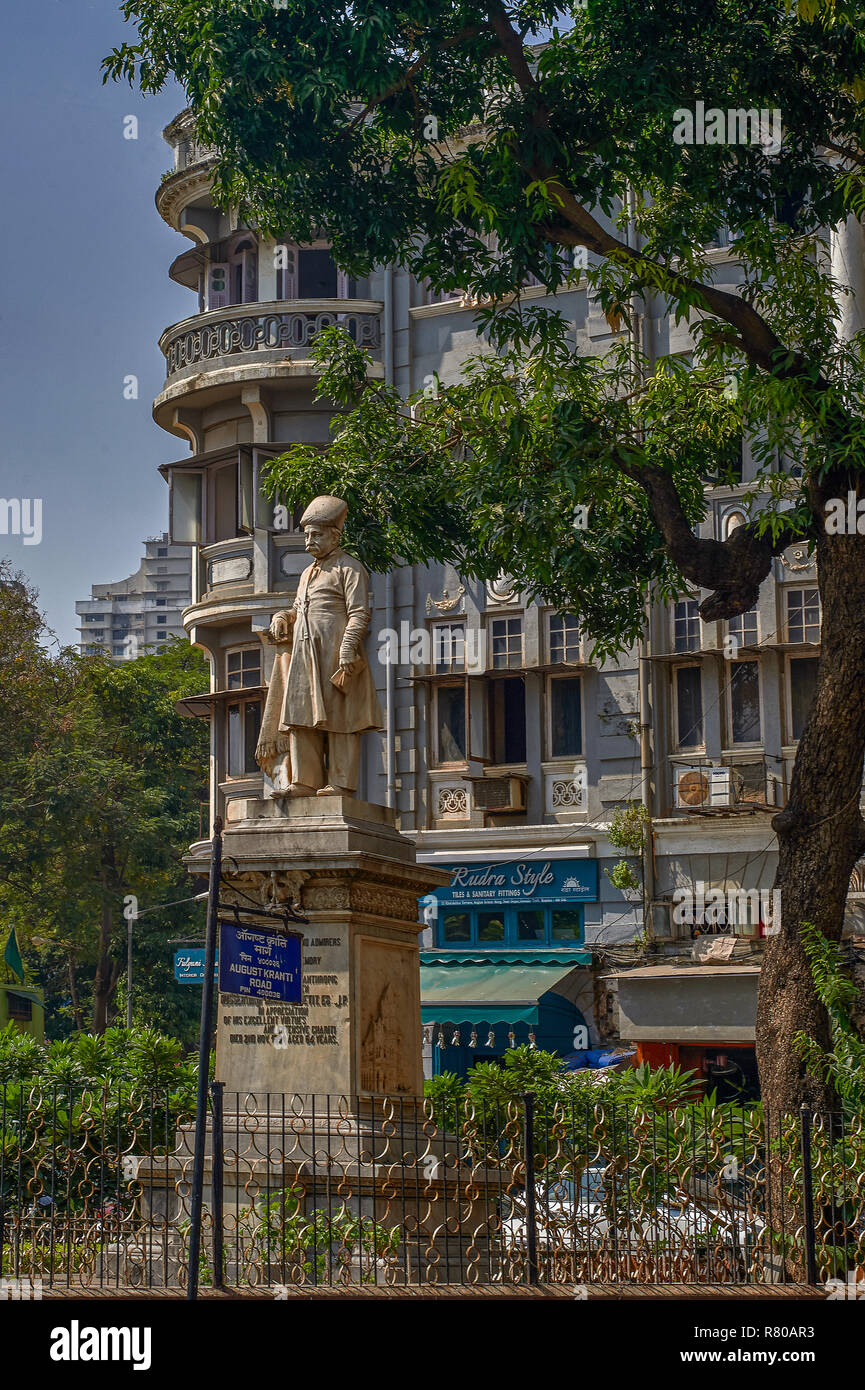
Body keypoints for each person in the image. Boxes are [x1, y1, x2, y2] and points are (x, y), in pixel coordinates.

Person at [257, 495, 383, 797]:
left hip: (336, 651)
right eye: (306, 535)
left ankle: (340, 783)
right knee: (301, 717)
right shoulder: (306, 573)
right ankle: (305, 781)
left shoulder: (350, 568)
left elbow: (359, 612)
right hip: (304, 653)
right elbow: (298, 609)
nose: (308, 541)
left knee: (342, 718)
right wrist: (281, 617)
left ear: (334, 535)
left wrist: (347, 648)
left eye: (316, 534)